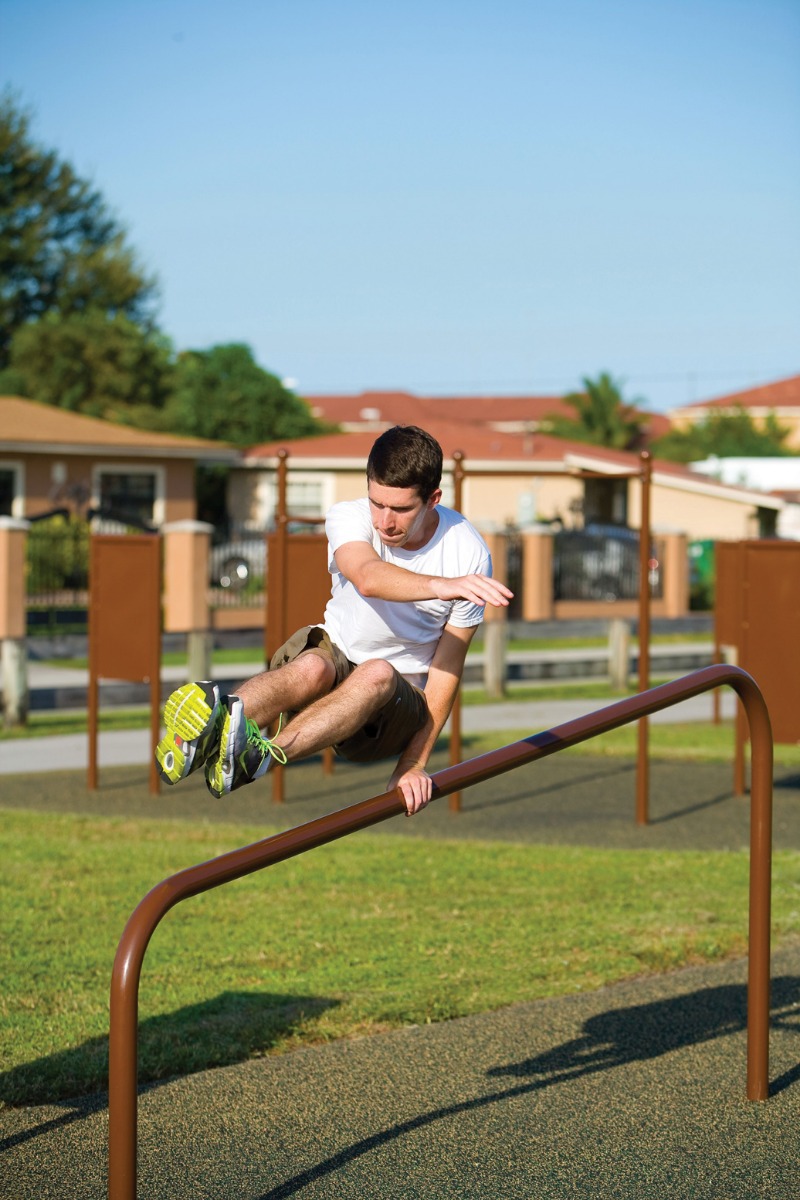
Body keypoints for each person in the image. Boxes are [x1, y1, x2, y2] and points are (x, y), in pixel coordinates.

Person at [155, 424, 512, 815]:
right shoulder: (348, 516)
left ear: (433, 499)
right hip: (336, 657)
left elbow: (447, 670)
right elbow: (367, 577)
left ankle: (259, 759)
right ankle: (213, 728)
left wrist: (412, 763)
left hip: (392, 708)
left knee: (376, 672)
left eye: (401, 509)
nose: (384, 522)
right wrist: (441, 586)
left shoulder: (468, 554)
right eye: (377, 503)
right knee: (310, 666)